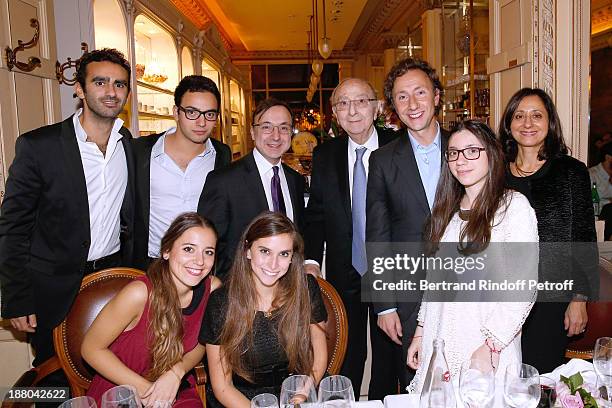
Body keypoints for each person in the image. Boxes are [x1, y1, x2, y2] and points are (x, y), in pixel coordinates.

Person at [0, 48, 135, 367]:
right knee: (54, 373)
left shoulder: (126, 143)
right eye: (100, 82)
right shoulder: (39, 146)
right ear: (80, 88)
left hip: (112, 280)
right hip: (53, 289)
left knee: (110, 369)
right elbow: (12, 227)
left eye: (119, 84)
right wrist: (17, 298)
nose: (111, 91)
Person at [406, 120, 539, 395]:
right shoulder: (448, 214)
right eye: (453, 153)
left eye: (471, 151)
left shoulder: (513, 208)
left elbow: (523, 285)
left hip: (486, 346)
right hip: (440, 341)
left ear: (491, 154)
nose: (461, 160)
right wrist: (421, 332)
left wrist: (491, 344)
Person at [303, 77, 397, 396]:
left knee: (390, 351)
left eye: (360, 101)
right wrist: (312, 260)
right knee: (348, 350)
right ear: (335, 113)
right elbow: (316, 214)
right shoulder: (325, 155)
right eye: (343, 103)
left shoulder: (398, 147)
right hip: (346, 270)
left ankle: (386, 400)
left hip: (391, 269)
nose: (352, 110)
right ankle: (347, 401)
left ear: (376, 107)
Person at [365, 57, 450, 396]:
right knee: (417, 384)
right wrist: (384, 305)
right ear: (393, 107)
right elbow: (378, 235)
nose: (412, 104)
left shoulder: (468, 147)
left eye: (420, 92)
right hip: (409, 293)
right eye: (402, 96)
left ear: (437, 96)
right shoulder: (383, 160)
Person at [501, 87, 599, 373]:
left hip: (551, 301)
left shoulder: (571, 172)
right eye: (519, 116)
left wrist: (579, 300)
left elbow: (584, 237)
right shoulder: (494, 173)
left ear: (550, 122)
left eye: (536, 116)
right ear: (509, 124)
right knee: (501, 378)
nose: (527, 124)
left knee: (541, 379)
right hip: (501, 298)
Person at [82, 212, 221, 407]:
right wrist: (151, 392)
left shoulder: (212, 289)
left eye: (208, 252)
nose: (199, 261)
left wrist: (176, 372)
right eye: (189, 249)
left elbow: (203, 342)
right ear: (166, 251)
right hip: (122, 392)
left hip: (175, 388)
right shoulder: (139, 294)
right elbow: (91, 349)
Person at [200, 212, 327, 407]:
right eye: (265, 251)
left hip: (297, 393)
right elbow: (223, 387)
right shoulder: (221, 303)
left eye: (284, 254)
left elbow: (319, 356)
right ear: (248, 251)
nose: (273, 264)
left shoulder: (306, 288)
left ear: (293, 257)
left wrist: (305, 389)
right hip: (241, 400)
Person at [198, 98, 305, 280]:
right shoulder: (223, 181)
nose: (276, 136)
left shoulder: (295, 181)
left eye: (284, 128)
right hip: (240, 293)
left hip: (288, 288)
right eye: (266, 127)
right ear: (252, 133)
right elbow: (209, 246)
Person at [132, 75, 231, 269]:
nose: (202, 122)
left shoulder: (222, 154)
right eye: (192, 112)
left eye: (210, 114)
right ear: (176, 112)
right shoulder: (141, 151)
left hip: (201, 266)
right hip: (152, 264)